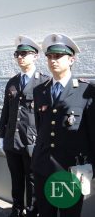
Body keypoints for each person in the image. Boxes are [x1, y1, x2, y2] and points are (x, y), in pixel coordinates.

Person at [32, 33, 95, 217]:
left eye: (58, 56)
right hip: (43, 167)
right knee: (45, 214)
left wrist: (92, 166)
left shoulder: (86, 90)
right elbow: (40, 127)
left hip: (71, 170)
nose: (53, 60)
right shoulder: (40, 90)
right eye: (50, 56)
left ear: (71, 59)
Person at [0, 36, 49, 217]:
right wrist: (1, 136)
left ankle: (32, 211)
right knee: (16, 178)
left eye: (24, 54)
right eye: (17, 54)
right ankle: (17, 209)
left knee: (33, 181)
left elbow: (47, 117)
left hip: (32, 141)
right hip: (12, 139)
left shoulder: (44, 82)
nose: (20, 57)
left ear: (35, 56)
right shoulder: (12, 82)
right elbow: (6, 110)